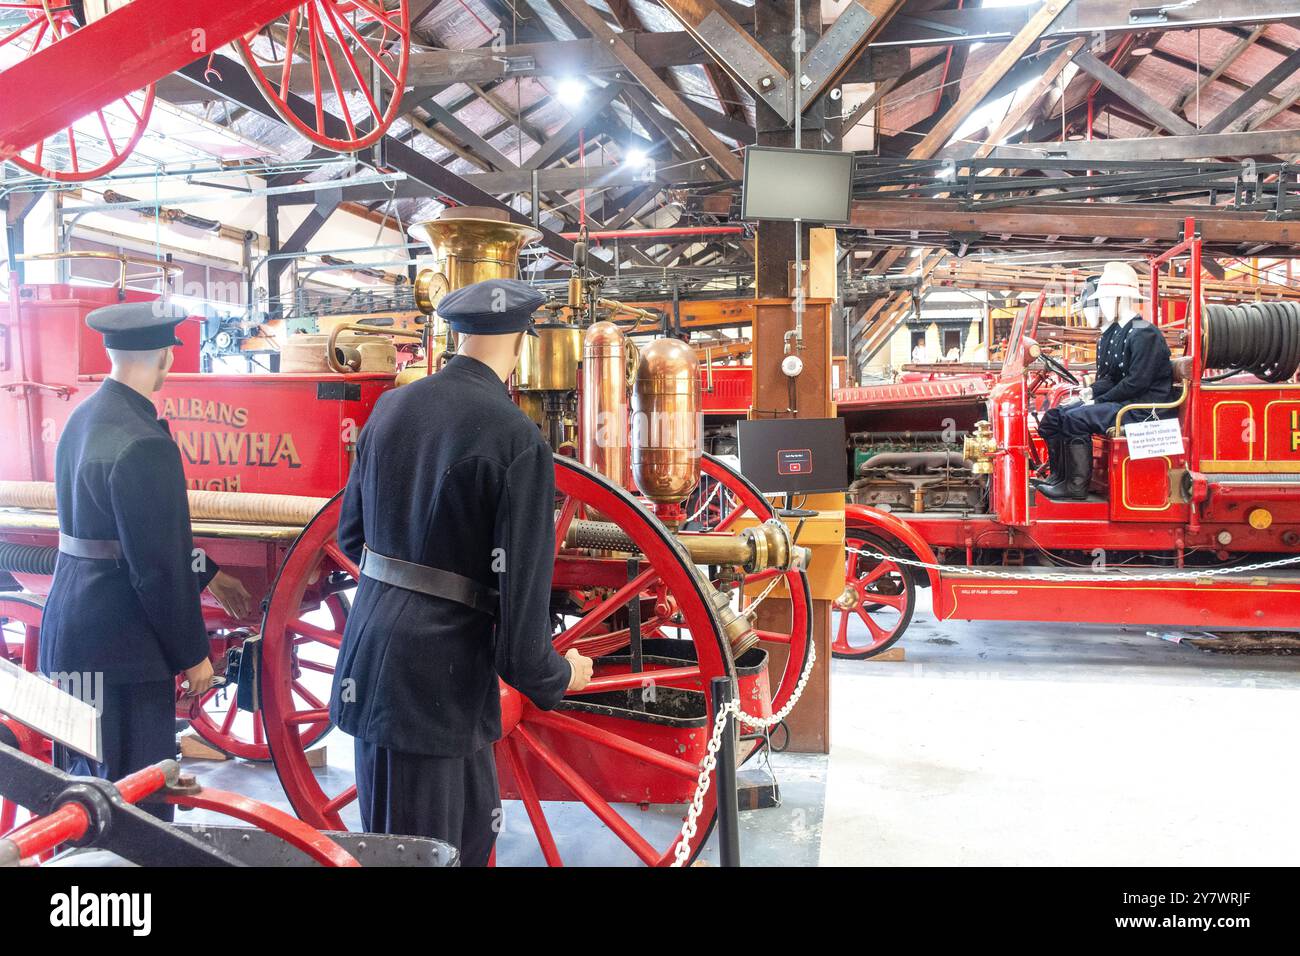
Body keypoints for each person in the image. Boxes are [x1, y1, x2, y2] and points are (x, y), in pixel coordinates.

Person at [330, 277, 594, 866]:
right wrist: (561, 674)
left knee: (389, 845)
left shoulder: (391, 406)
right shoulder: (518, 439)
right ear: (521, 343)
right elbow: (522, 636)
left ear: (456, 334)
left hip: (371, 662)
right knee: (444, 850)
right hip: (441, 687)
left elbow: (351, 537)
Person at [39, 301, 253, 819]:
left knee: (83, 795)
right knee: (135, 807)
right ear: (163, 357)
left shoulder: (83, 417)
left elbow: (113, 532)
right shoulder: (143, 441)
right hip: (126, 653)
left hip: (73, 636)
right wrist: (193, 655)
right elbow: (154, 567)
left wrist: (208, 573)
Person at [1035, 262, 1174, 501]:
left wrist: (1098, 399)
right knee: (1055, 417)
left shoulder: (1144, 332)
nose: (1103, 306)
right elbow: (1112, 378)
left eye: (1107, 299)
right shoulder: (1124, 332)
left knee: (1075, 419)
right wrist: (1091, 393)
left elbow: (1136, 384)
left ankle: (1075, 486)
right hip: (1128, 401)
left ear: (1121, 298)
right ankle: (1060, 478)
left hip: (1143, 409)